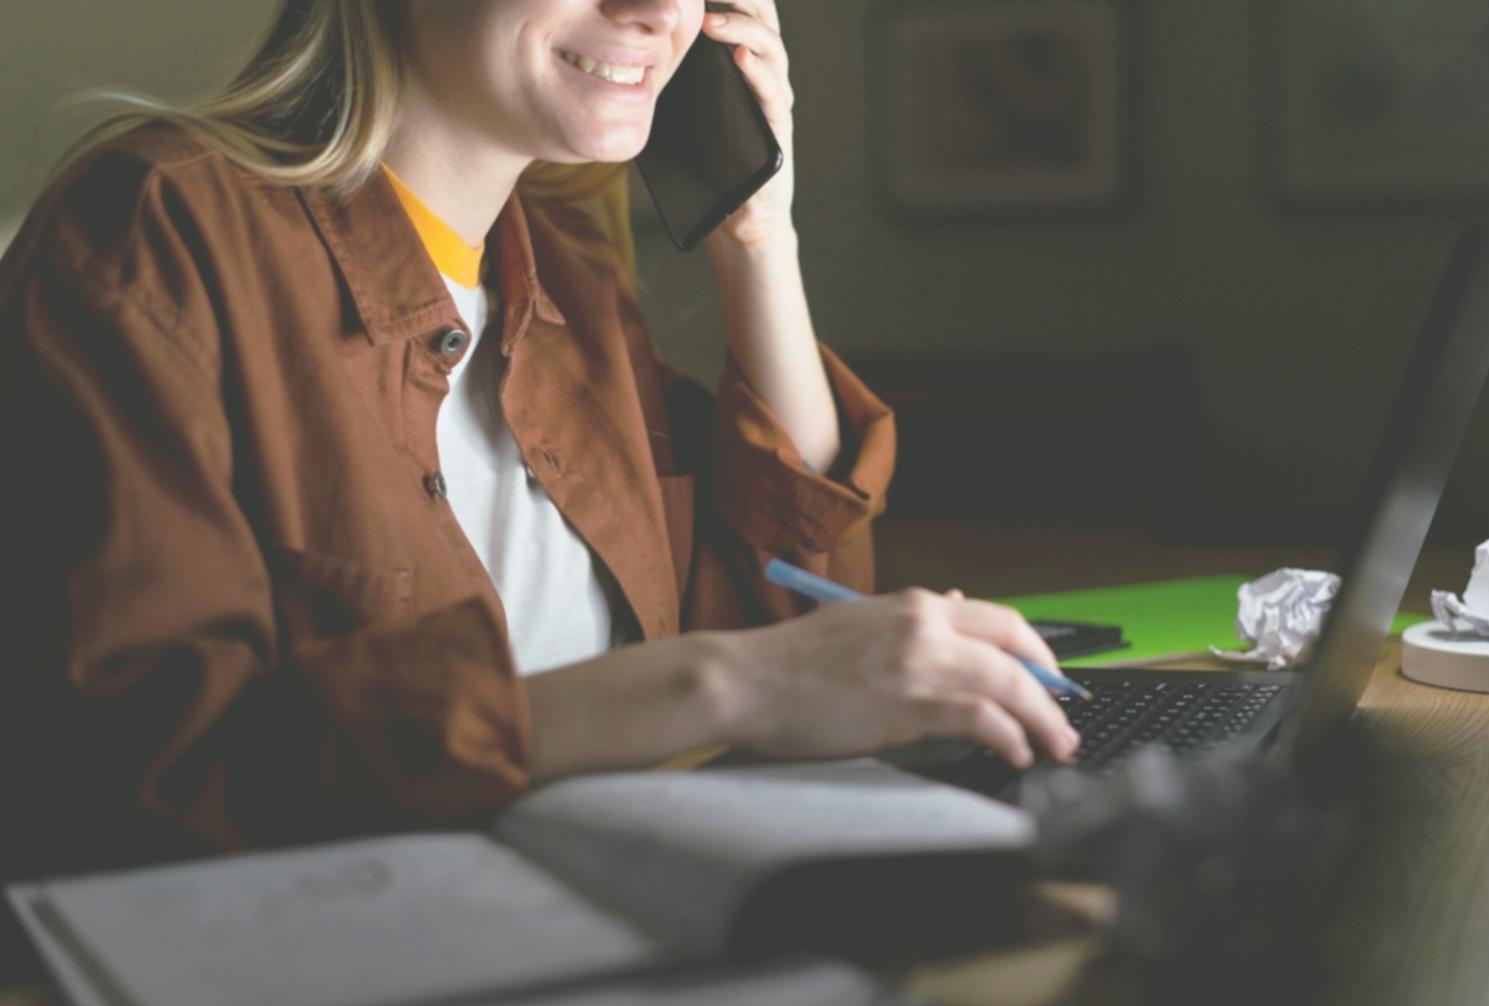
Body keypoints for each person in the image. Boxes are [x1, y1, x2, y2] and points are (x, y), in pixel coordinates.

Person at [0, 0, 1077, 884]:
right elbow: (146, 778)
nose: (654, 11)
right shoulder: (150, 232)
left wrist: (760, 236)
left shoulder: (571, 277)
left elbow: (800, 636)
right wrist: (715, 683)